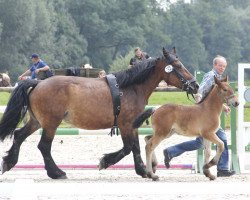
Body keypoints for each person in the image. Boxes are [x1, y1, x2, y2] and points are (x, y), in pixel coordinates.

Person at [163, 55, 236, 177]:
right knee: (221, 138)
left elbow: (215, 98)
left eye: (224, 66)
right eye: (220, 65)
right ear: (214, 65)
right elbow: (200, 92)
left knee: (199, 143)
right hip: (204, 116)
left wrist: (223, 107)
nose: (222, 68)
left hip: (207, 115)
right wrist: (201, 110)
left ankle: (170, 151)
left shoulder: (219, 79)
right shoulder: (210, 77)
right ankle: (222, 168)